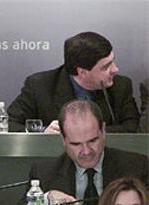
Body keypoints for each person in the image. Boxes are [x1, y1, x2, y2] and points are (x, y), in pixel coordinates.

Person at [14, 99, 148, 205]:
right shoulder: (45, 172)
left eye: (92, 141)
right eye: (76, 144)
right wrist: (46, 200)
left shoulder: (136, 166)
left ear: (103, 131)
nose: (86, 151)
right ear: (63, 140)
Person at [7, 31, 139, 133]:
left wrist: (85, 133)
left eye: (113, 61)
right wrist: (42, 132)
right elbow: (8, 124)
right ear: (82, 72)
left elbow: (133, 128)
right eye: (106, 67)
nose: (115, 69)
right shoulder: (40, 86)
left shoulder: (121, 86)